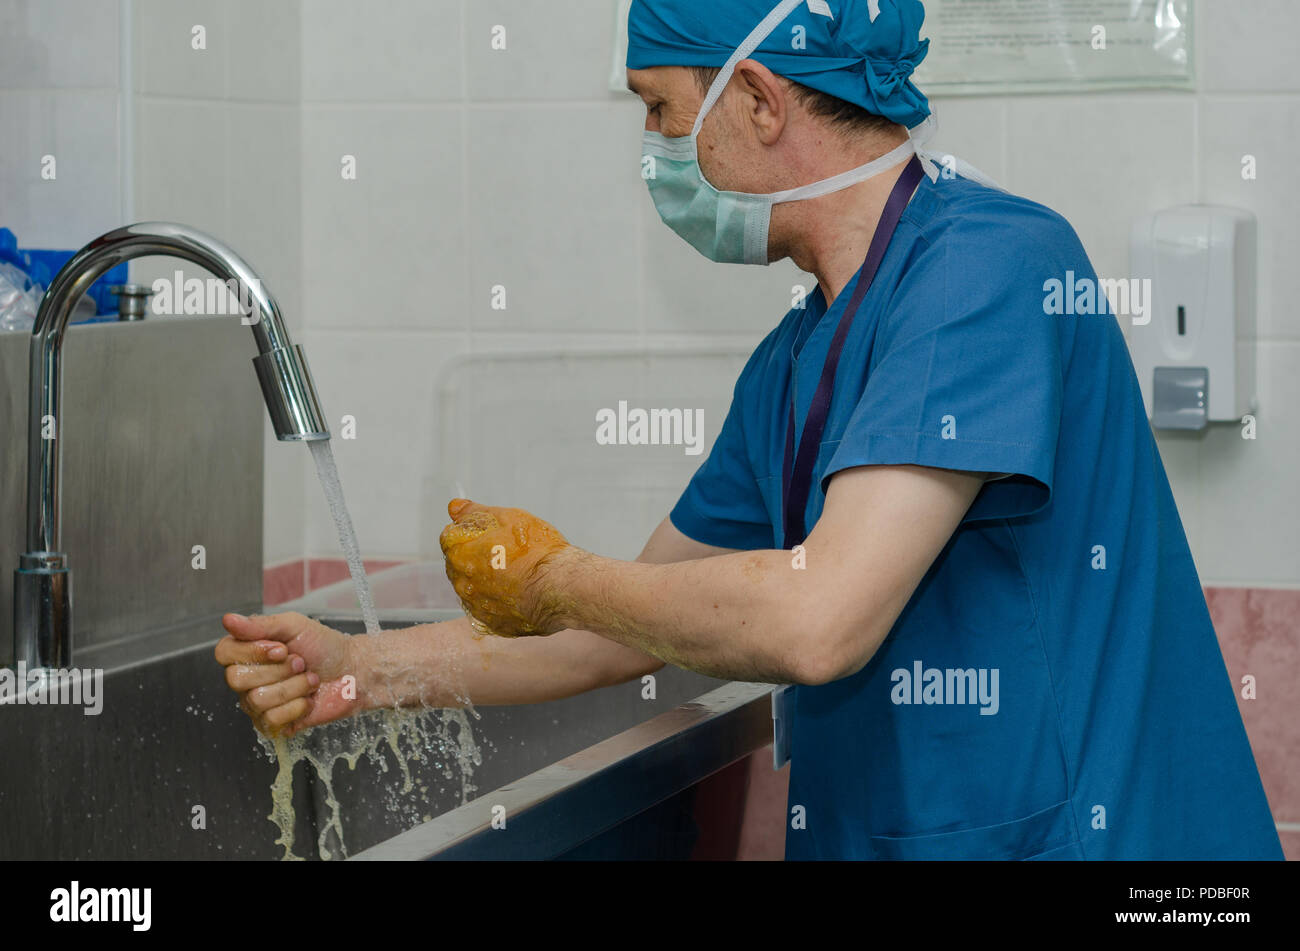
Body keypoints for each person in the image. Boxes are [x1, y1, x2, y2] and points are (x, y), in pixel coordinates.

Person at [216, 0, 1283, 860]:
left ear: (761, 102)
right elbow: (624, 627)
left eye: (659, 111)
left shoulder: (988, 270)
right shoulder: (797, 359)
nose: (651, 152)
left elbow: (818, 624)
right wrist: (355, 670)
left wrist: (552, 576)